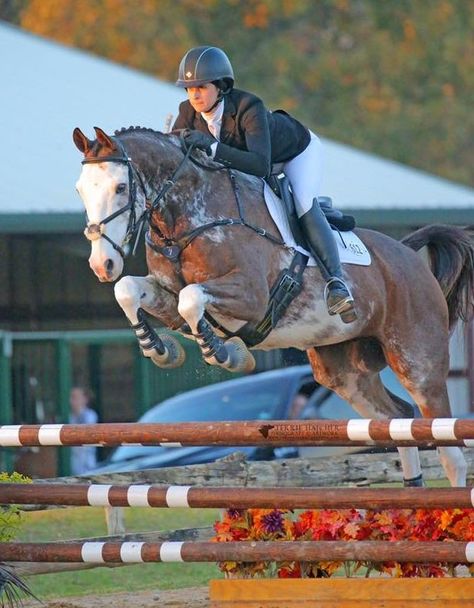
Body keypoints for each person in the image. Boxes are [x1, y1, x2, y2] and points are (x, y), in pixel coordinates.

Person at [172, 46, 356, 322]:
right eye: (189, 88)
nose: (194, 95)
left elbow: (259, 165)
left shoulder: (249, 107)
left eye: (201, 86)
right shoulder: (187, 112)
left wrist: (212, 147)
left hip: (295, 154)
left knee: (303, 201)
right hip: (251, 162)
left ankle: (336, 283)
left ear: (221, 86)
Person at [69, 386, 98, 475]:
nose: (71, 401)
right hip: (71, 462)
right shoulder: (68, 417)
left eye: (75, 397)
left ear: (85, 399)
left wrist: (78, 410)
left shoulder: (91, 415)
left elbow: (85, 431)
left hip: (87, 463)